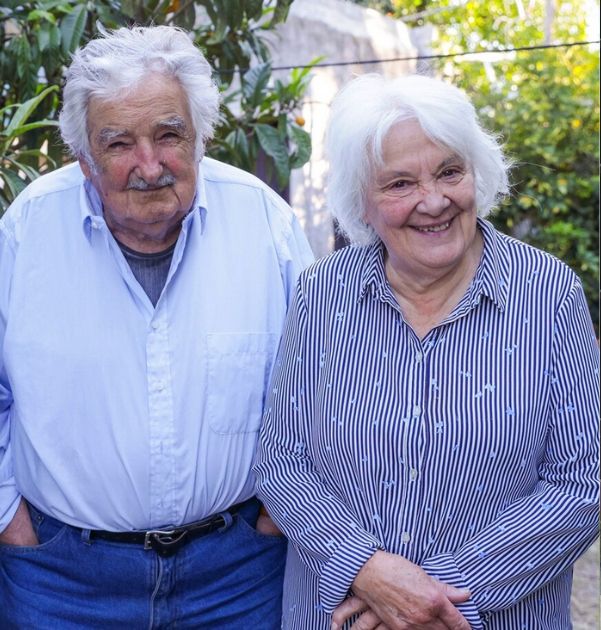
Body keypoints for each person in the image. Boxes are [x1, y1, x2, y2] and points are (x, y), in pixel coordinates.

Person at [254, 73, 600, 629]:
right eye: (399, 184)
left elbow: (579, 485)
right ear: (362, 202)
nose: (433, 201)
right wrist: (367, 570)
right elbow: (282, 462)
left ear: (476, 173)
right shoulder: (322, 293)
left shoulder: (548, 293)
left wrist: (433, 596)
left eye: (449, 172)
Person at [0, 26, 313, 626]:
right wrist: (13, 527)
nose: (149, 166)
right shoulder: (27, 230)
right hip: (61, 582)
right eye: (118, 144)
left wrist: (271, 523)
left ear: (200, 139)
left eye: (169, 135)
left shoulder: (263, 222)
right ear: (84, 158)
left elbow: (322, 386)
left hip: (238, 575)